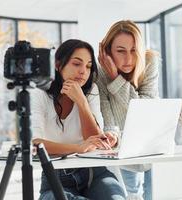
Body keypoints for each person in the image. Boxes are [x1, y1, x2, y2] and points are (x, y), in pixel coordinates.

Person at [31, 39, 126, 200]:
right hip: (56, 178)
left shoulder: (91, 91)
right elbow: (35, 144)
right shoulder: (39, 94)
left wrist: (82, 102)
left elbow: (96, 140)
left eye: (88, 66)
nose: (83, 71)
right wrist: (77, 148)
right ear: (58, 64)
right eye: (77, 64)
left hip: (95, 173)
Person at [96, 20, 160, 200]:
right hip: (123, 146)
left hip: (152, 142)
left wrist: (116, 79)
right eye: (120, 51)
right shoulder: (99, 74)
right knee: (131, 195)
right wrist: (112, 135)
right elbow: (108, 118)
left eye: (133, 50)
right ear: (107, 51)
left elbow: (145, 109)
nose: (129, 59)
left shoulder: (149, 62)